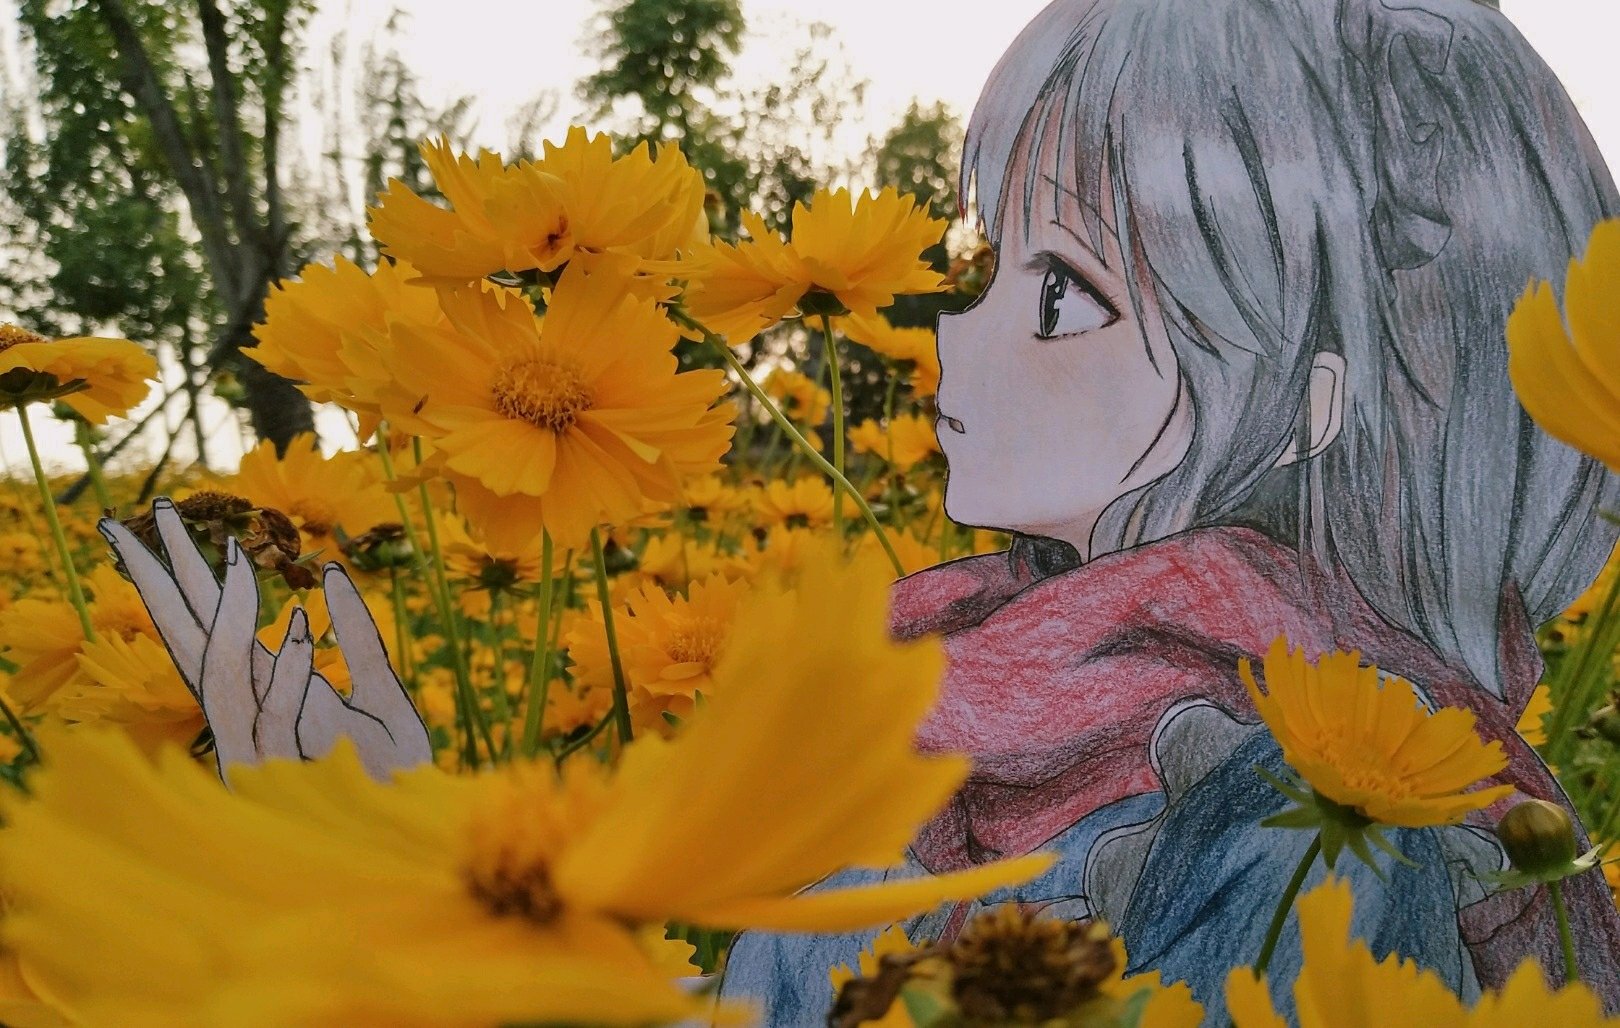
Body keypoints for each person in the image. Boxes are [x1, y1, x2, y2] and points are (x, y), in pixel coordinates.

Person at [719, 0, 1620, 1020]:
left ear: (1309, 405)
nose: (956, 333)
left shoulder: (1316, 829)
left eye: (1060, 294)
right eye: (990, 266)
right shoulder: (960, 683)